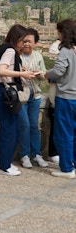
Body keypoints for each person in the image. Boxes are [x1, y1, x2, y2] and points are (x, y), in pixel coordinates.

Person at [0, 24, 37, 176]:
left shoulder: (3, 48)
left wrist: (21, 71)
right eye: (22, 40)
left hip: (4, 92)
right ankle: (4, 166)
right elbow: (2, 70)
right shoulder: (10, 50)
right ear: (16, 38)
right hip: (7, 93)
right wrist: (22, 75)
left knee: (11, 128)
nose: (24, 43)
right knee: (9, 129)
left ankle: (5, 163)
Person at [44, 19, 76, 178]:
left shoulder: (66, 51)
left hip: (66, 97)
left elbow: (59, 71)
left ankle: (66, 168)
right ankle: (73, 164)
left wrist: (47, 74)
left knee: (64, 134)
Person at [17, 28, 49, 168]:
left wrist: (40, 74)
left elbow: (44, 75)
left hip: (35, 95)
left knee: (34, 126)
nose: (26, 44)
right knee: (24, 125)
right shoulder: (16, 55)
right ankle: (25, 155)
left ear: (35, 43)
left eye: (29, 41)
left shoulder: (38, 56)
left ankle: (36, 154)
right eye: (24, 41)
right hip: (22, 96)